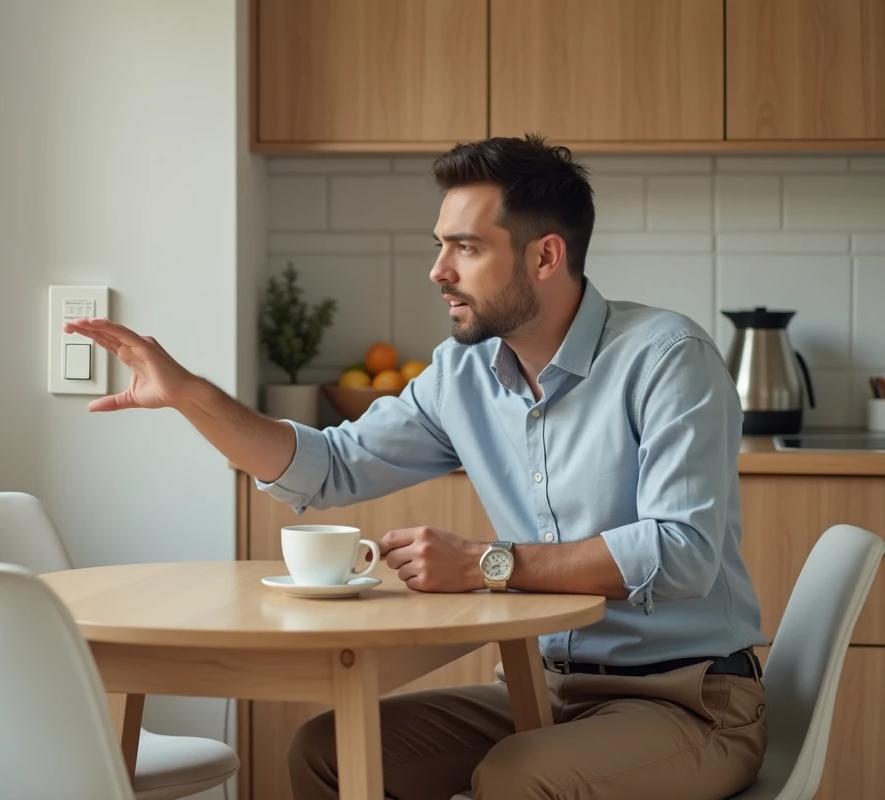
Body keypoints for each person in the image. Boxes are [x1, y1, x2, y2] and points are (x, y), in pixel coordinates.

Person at [65, 134, 768, 800]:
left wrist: (487, 564)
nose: (439, 271)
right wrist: (191, 396)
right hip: (541, 689)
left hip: (689, 700)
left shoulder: (666, 357)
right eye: (441, 246)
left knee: (518, 779)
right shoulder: (463, 373)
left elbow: (681, 552)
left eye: (466, 247)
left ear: (545, 256)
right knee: (326, 752)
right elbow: (330, 467)